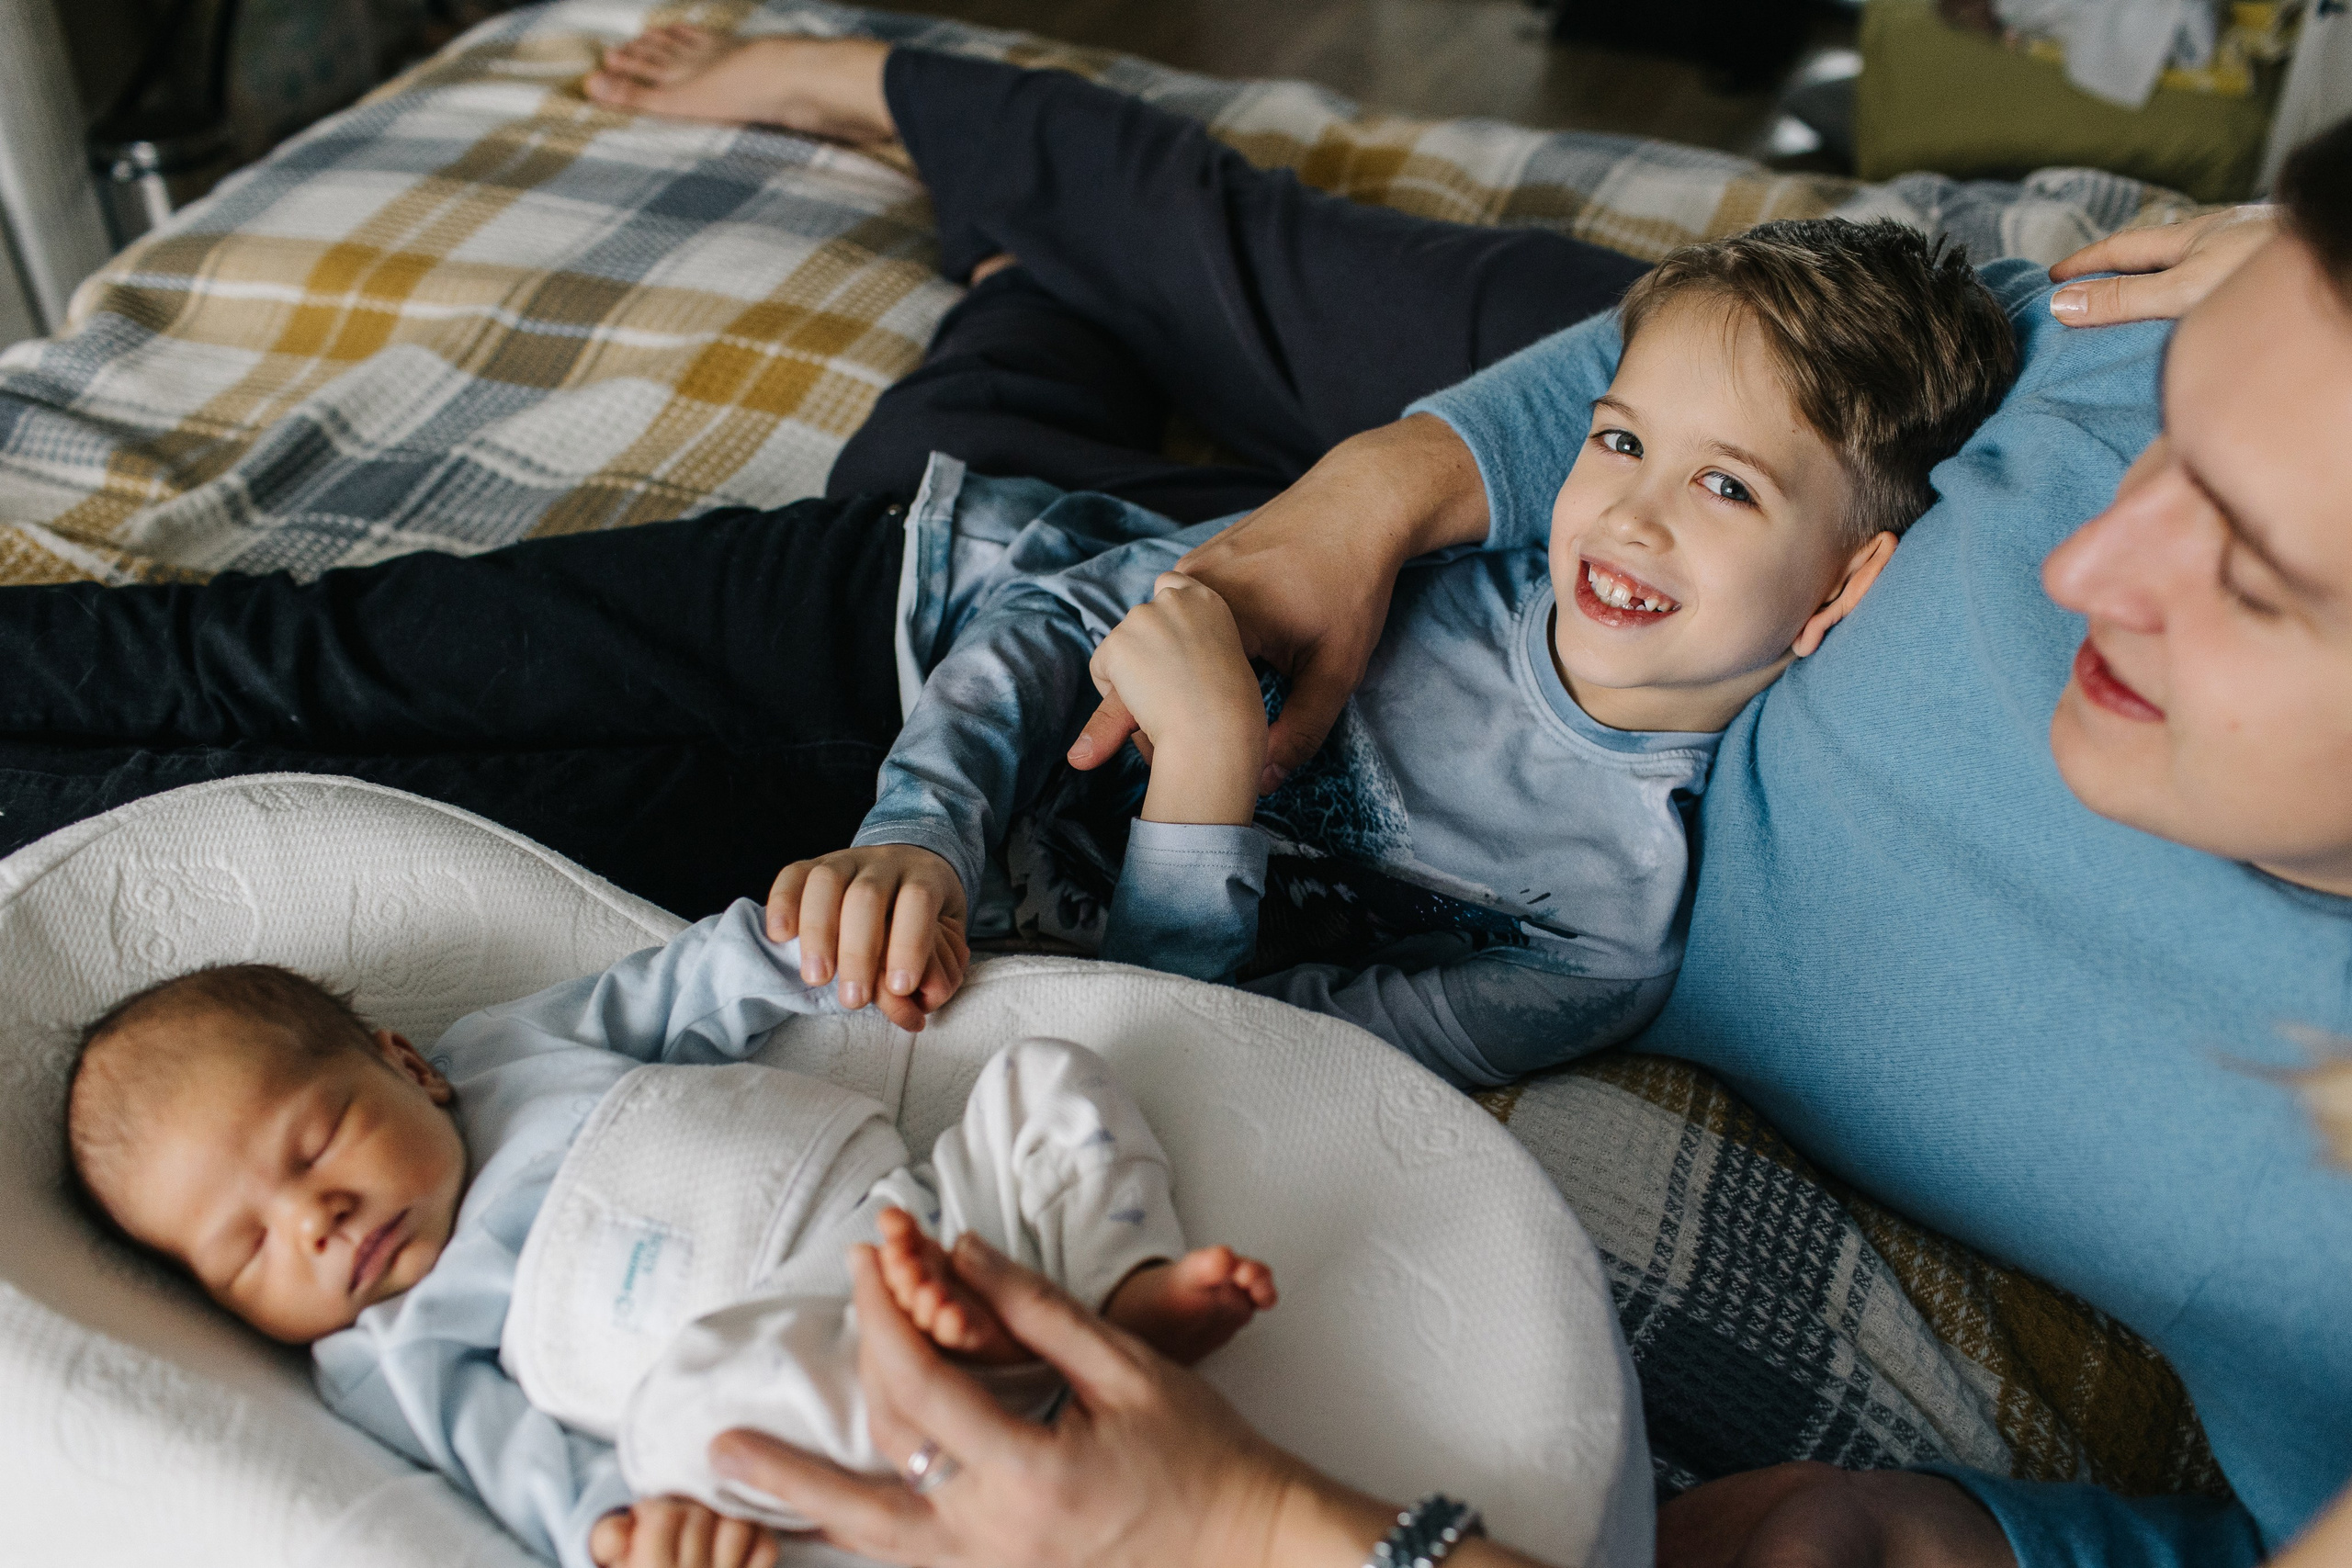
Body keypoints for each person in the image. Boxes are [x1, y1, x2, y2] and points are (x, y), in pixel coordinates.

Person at [766, 217, 2016, 1085]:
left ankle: (1029, 308)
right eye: (1621, 443)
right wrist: (916, 831)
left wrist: (1209, 761)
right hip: (930, 619)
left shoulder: (1601, 944)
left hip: (965, 942)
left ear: (1848, 581)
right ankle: (1035, 290)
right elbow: (1061, 606)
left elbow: (1204, 1060)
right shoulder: (1436, 568)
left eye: (1728, 489)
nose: (1631, 519)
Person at [62, 907, 1276, 1568]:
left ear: (409, 1066)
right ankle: (971, 1388)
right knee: (689, 1410)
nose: (313, 1224)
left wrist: (812, 944)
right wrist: (618, 1532)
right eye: (248, 1252)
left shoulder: (510, 1054)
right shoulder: (390, 1347)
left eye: (316, 1141)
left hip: (930, 1226)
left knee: (1045, 1080)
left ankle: (1116, 1296)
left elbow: (680, 990)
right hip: (808, 1378)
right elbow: (504, 1459)